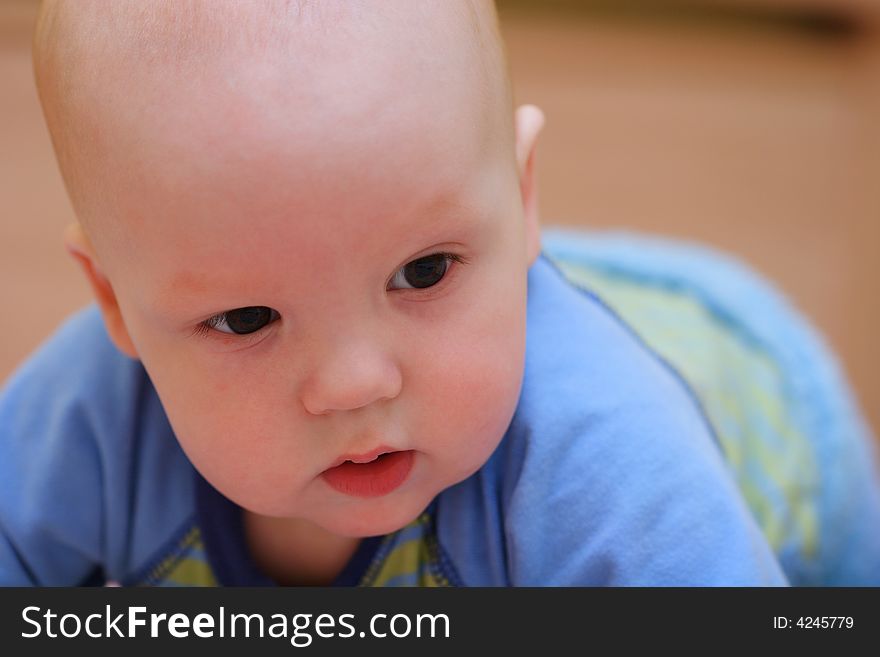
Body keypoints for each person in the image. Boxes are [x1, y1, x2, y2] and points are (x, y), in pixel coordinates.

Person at [1, 0, 876, 586]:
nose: (355, 384)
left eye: (424, 270)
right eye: (246, 318)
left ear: (525, 196)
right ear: (116, 304)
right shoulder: (87, 419)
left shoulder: (609, 459)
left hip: (764, 402)